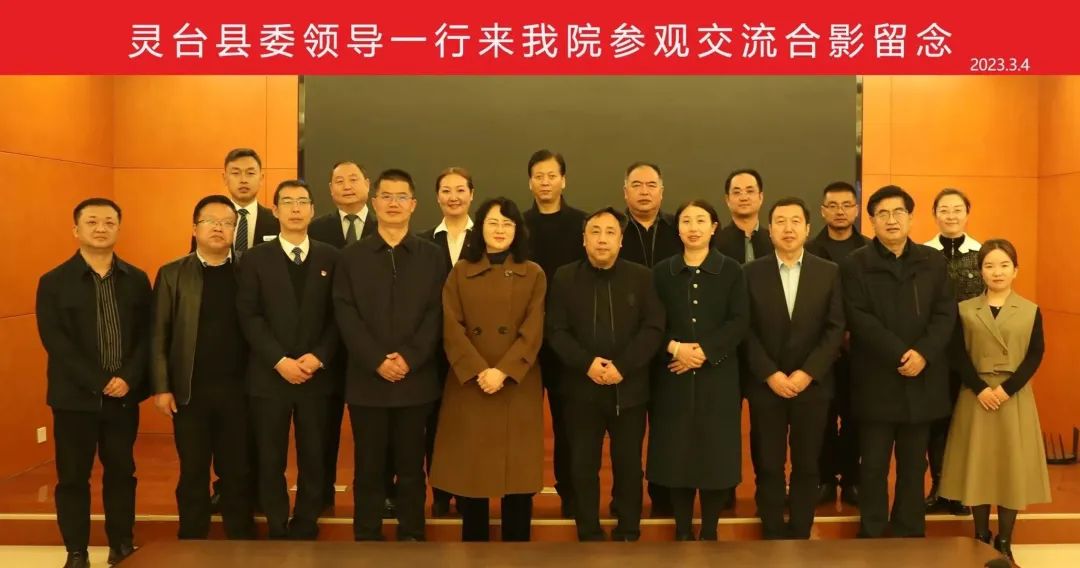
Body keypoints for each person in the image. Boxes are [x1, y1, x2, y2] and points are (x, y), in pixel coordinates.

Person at [36, 198, 152, 568]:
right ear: (76, 229)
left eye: (109, 222)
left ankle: (122, 544)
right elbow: (56, 341)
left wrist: (127, 378)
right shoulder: (53, 282)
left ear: (119, 228)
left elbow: (147, 336)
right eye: (92, 222)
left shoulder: (137, 279)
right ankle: (76, 552)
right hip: (74, 399)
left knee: (122, 474)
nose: (101, 228)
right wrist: (101, 381)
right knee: (73, 478)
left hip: (123, 398)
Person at [333, 169, 447, 541]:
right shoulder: (351, 256)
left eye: (401, 197)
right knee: (368, 465)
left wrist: (409, 358)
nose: (393, 203)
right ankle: (367, 532)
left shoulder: (432, 256)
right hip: (367, 381)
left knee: (412, 466)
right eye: (386, 196)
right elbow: (345, 313)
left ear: (413, 204)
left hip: (417, 381)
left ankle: (412, 531)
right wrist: (377, 360)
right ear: (374, 202)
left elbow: (437, 314)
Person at [841, 185, 957, 538]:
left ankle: (909, 529)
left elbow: (945, 314)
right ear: (872, 220)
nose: (891, 220)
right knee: (873, 464)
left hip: (922, 378)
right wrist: (899, 352)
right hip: (876, 378)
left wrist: (923, 353)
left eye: (898, 212)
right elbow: (858, 316)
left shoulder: (932, 261)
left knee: (913, 464)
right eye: (882, 214)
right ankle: (873, 530)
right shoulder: (855, 264)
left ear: (911, 217)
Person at [431, 197, 547, 541]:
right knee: (473, 473)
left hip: (516, 382)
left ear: (517, 230)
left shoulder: (534, 273)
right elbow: (451, 325)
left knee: (517, 476)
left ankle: (517, 549)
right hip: (471, 383)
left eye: (507, 224)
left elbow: (533, 329)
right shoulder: (460, 272)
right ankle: (475, 549)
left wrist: (504, 371)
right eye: (493, 223)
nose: (500, 230)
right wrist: (478, 369)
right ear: (479, 228)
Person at [547, 207, 665, 541]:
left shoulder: (642, 277)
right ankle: (588, 529)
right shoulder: (565, 277)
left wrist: (622, 367)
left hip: (629, 388)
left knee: (628, 464)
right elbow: (556, 330)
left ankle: (628, 527)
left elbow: (653, 328)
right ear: (584, 239)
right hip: (580, 388)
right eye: (595, 232)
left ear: (621, 240)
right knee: (583, 464)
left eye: (610, 232)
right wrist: (587, 364)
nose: (602, 239)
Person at [236, 180, 341, 540]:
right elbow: (249, 315)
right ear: (275, 210)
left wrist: (319, 356)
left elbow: (339, 315)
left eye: (302, 202)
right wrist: (279, 360)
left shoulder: (331, 257)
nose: (296, 209)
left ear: (313, 210)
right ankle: (277, 522)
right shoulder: (255, 259)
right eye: (287, 202)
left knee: (315, 454)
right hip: (270, 376)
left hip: (316, 375)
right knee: (270, 457)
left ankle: (307, 519)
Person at [939, 239, 1050, 562]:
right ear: (980, 271)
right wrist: (980, 388)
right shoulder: (964, 309)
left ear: (1016, 270)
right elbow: (956, 353)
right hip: (976, 395)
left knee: (1009, 468)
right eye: (989, 265)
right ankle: (980, 536)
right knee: (977, 465)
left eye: (1004, 265)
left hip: (1012, 397)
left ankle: (1004, 541)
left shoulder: (1030, 310)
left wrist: (1006, 389)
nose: (997, 272)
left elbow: (1035, 354)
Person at [151, 195, 255, 540]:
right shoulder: (172, 273)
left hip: (239, 391)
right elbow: (159, 334)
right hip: (189, 391)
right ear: (195, 228)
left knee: (237, 469)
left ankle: (240, 535)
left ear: (235, 230)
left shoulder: (248, 270)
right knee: (193, 469)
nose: (218, 228)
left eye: (226, 223)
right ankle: (192, 536)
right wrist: (162, 387)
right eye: (210, 221)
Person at [743, 197, 845, 539]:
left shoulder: (828, 272)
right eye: (780, 222)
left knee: (807, 462)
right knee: (768, 462)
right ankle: (772, 530)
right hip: (766, 385)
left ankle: (801, 529)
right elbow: (745, 329)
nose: (788, 228)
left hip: (812, 385)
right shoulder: (750, 272)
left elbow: (835, 327)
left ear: (807, 228)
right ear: (770, 230)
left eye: (795, 221)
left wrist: (808, 372)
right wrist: (769, 374)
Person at [648, 200, 750, 541]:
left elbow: (740, 320)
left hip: (718, 375)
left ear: (714, 227)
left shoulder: (732, 270)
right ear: (677, 229)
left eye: (701, 220)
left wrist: (705, 351)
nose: (693, 228)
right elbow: (650, 322)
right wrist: (675, 348)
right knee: (676, 452)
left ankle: (709, 528)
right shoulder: (662, 272)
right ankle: (681, 528)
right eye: (686, 221)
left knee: (714, 454)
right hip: (673, 374)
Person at [308, 160, 380, 514]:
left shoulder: (387, 226)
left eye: (354, 179)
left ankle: (380, 496)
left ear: (368, 184)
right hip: (327, 348)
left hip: (375, 348)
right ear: (330, 189)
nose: (347, 186)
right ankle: (320, 494)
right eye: (339, 180)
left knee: (377, 434)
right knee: (322, 429)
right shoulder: (315, 230)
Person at [522, 149, 587, 517]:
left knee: (569, 424)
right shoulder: (518, 224)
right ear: (530, 182)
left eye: (552, 176)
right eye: (538, 176)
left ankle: (571, 494)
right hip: (525, 340)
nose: (545, 182)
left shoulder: (582, 224)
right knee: (523, 422)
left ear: (563, 180)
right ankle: (520, 494)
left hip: (568, 340)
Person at [619, 162, 682, 517]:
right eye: (637, 184)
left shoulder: (678, 229)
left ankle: (665, 497)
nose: (644, 191)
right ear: (625, 191)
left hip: (671, 345)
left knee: (667, 427)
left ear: (662, 190)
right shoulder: (613, 229)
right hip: (626, 347)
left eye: (651, 184)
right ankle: (624, 500)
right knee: (626, 434)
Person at [417, 167, 476, 517]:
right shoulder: (424, 242)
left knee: (470, 421)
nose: (453, 197)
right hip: (434, 348)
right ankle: (440, 491)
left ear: (471, 194)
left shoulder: (485, 238)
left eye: (460, 190)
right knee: (435, 422)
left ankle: (470, 492)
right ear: (437, 196)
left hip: (476, 348)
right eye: (446, 190)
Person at [806, 181, 869, 507]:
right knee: (823, 418)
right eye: (833, 205)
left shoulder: (869, 250)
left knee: (857, 416)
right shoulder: (809, 249)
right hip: (821, 350)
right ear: (822, 211)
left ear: (856, 209)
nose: (840, 211)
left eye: (847, 205)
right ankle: (825, 478)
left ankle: (852, 479)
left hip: (861, 351)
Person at [923, 188, 982, 516]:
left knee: (966, 421)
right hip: (936, 353)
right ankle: (940, 487)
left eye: (957, 209)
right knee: (937, 420)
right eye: (944, 209)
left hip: (972, 351)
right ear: (934, 215)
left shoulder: (982, 252)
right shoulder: (923, 254)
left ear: (967, 213)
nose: (951, 215)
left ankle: (963, 490)